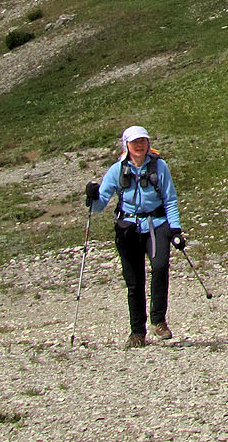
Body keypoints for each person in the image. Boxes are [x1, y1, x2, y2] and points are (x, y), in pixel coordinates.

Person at [85, 125, 185, 347]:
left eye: (143, 141)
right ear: (126, 145)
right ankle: (137, 332)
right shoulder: (117, 170)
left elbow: (170, 199)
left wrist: (175, 230)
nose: (139, 145)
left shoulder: (160, 166)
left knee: (160, 268)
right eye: (135, 142)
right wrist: (92, 197)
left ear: (148, 144)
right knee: (134, 280)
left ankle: (158, 320)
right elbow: (100, 204)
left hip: (157, 225)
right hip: (128, 228)